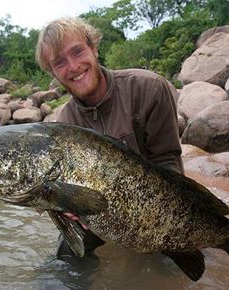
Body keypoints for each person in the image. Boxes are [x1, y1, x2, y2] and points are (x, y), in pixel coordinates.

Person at [36, 17, 184, 258]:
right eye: (60, 62)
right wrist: (64, 206)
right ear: (53, 72)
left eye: (78, 51)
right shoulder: (64, 123)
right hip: (97, 211)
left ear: (94, 48)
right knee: (66, 256)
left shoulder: (149, 88)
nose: (73, 66)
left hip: (158, 201)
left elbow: (168, 163)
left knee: (170, 260)